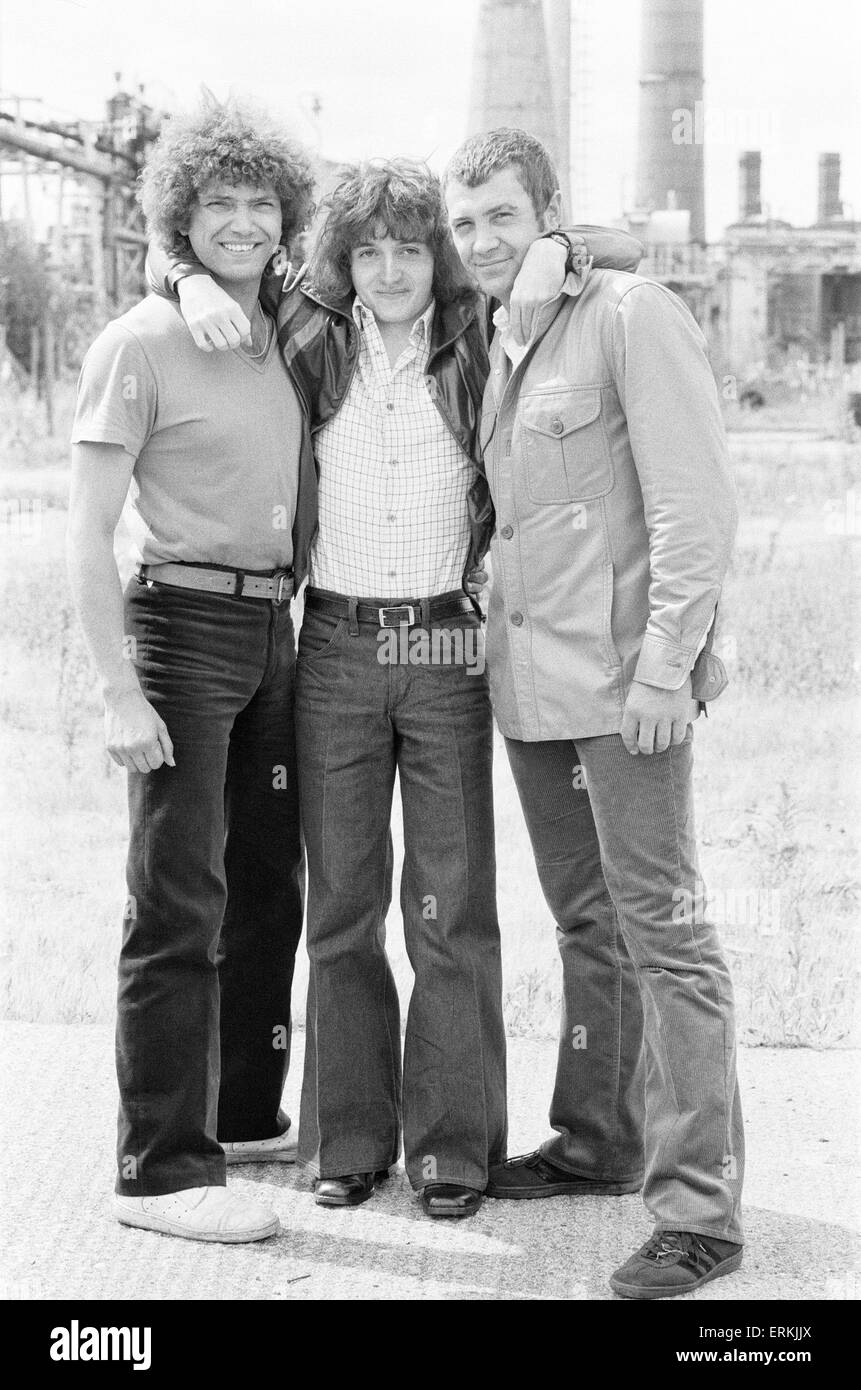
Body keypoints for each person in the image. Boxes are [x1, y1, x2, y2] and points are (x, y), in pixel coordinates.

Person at [155, 157, 642, 1217]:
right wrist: (185, 281)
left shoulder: (481, 334)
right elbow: (192, 254)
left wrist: (562, 244)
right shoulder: (308, 331)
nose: (388, 269)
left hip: (444, 653)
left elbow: (627, 242)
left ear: (441, 257)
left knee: (452, 906)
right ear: (343, 258)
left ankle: (454, 1148)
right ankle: (348, 1137)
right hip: (331, 642)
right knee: (342, 902)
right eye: (368, 249)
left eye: (410, 248)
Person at [443, 127, 744, 1296]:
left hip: (628, 691)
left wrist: (670, 666)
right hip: (532, 693)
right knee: (588, 924)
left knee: (666, 933)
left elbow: (692, 505)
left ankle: (701, 1214)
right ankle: (601, 1141)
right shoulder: (500, 332)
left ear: (549, 214)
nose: (478, 242)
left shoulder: (629, 314)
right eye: (464, 223)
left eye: (501, 218)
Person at [66, 97, 317, 1242]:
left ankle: (241, 1115)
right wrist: (118, 687)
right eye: (217, 202)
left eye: (261, 202)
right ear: (181, 214)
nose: (242, 221)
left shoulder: (293, 329)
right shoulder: (140, 340)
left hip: (278, 629)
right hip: (181, 626)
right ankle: (159, 1171)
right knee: (178, 899)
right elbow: (87, 531)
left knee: (267, 886)